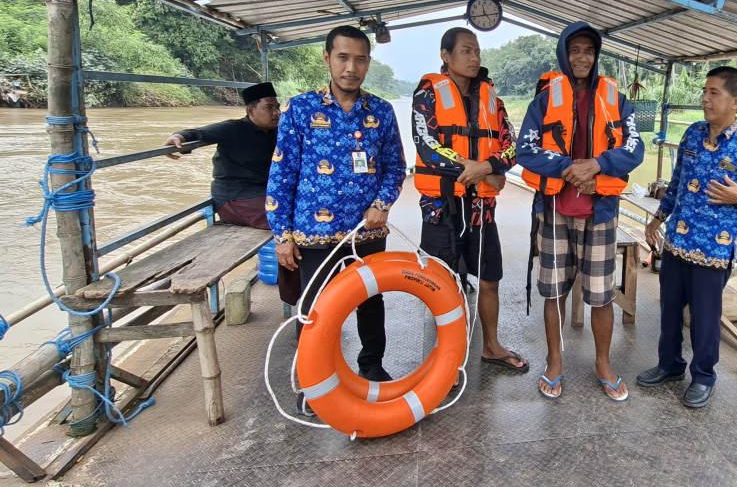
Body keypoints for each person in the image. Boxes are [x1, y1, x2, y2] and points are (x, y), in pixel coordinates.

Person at [266, 25, 406, 384]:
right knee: (316, 310)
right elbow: (282, 173)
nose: (351, 68)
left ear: (368, 63)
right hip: (314, 234)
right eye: (343, 58)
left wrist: (382, 203)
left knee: (370, 303)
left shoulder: (381, 111)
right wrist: (282, 235)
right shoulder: (300, 109)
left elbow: (395, 167)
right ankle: (313, 382)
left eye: (360, 60)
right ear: (327, 58)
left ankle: (371, 367)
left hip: (367, 233)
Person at [639, 66, 737, 408]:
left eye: (714, 93)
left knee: (705, 320)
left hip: (713, 250)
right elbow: (677, 182)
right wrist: (657, 219)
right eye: (704, 91)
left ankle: (703, 376)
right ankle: (669, 365)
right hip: (676, 242)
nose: (705, 98)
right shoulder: (692, 134)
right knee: (669, 311)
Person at [518, 22, 644, 401]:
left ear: (596, 55)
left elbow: (635, 149)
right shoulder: (544, 99)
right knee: (554, 292)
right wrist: (571, 169)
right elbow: (525, 149)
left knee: (602, 295)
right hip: (556, 210)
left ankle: (603, 363)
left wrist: (599, 166)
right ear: (563, 54)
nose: (582, 57)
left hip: (600, 212)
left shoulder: (617, 99)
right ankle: (554, 362)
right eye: (575, 50)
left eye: (589, 50)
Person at [411, 27, 528, 374]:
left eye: (477, 51)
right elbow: (427, 145)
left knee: (490, 279)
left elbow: (512, 146)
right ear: (445, 56)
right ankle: (445, 359)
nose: (474, 57)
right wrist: (479, 171)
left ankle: (491, 347)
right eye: (466, 50)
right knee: (441, 286)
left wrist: (489, 167)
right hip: (441, 209)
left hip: (481, 210)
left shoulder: (493, 100)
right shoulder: (427, 95)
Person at [165, 81, 280, 228]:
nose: (276, 113)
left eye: (277, 107)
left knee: (302, 207)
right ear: (251, 110)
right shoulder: (233, 129)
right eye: (269, 107)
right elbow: (198, 133)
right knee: (283, 219)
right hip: (235, 197)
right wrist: (178, 137)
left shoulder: (277, 132)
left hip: (264, 192)